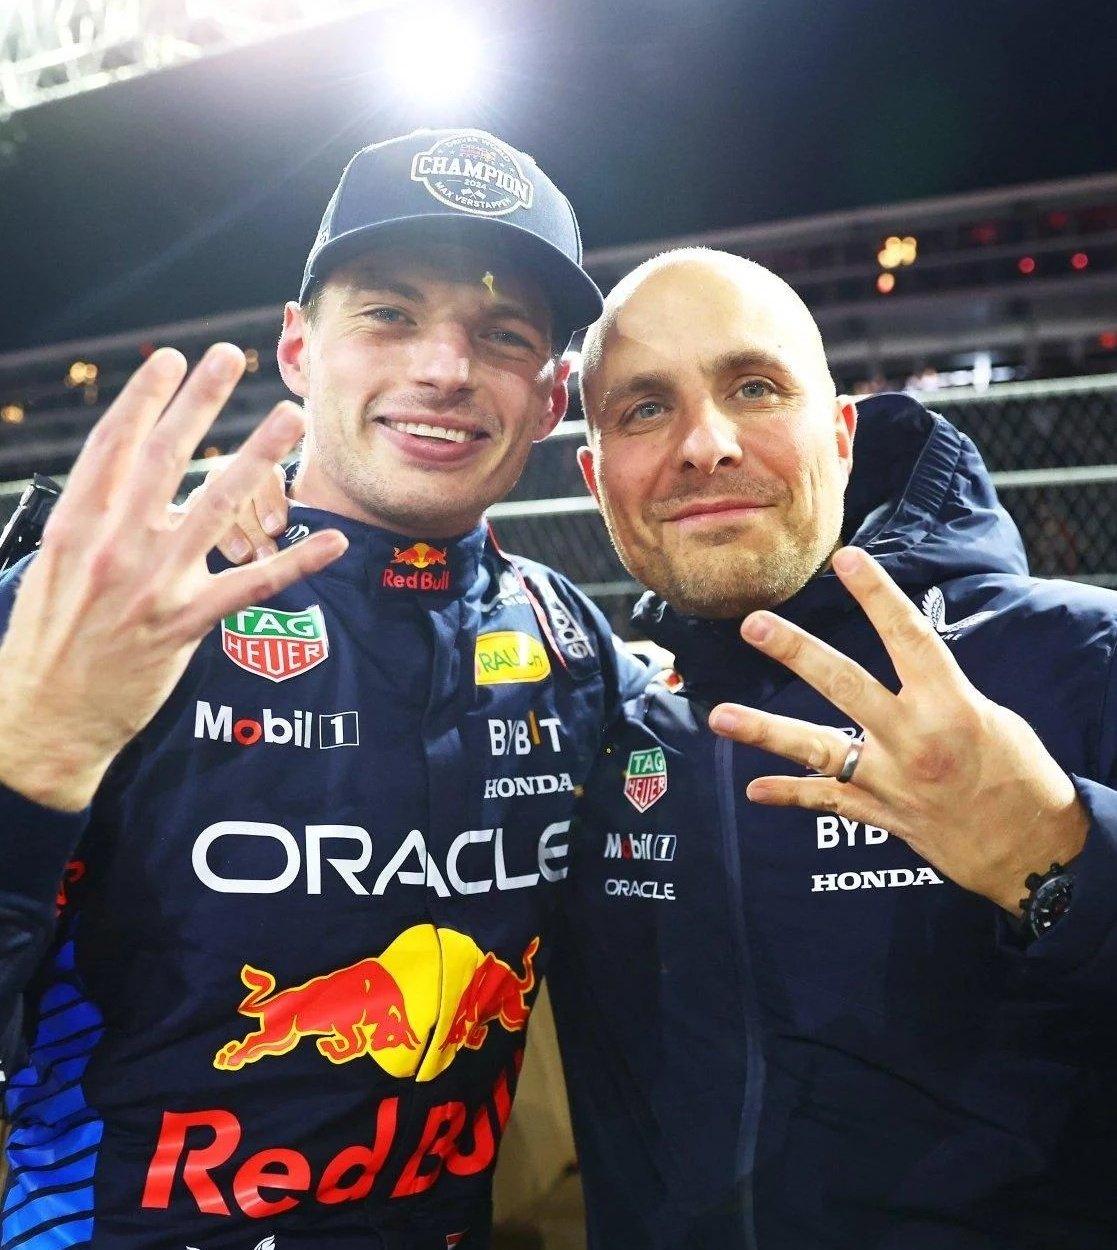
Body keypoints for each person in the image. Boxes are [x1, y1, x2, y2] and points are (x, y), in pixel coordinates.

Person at [0, 128, 643, 1250]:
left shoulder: (571, 644)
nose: (444, 367)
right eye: (389, 313)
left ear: (550, 400)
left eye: (502, 335)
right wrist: (28, 776)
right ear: (298, 348)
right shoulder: (105, 600)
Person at [546, 248, 1117, 1249]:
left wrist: (1061, 856)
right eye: (644, 408)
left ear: (842, 436)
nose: (704, 444)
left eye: (753, 387)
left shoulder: (1081, 656)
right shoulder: (601, 721)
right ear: (596, 478)